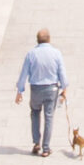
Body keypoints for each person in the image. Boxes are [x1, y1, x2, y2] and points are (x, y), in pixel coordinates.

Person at [14, 28, 68, 156]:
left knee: (35, 113)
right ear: (49, 39)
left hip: (36, 89)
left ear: (37, 40)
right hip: (52, 89)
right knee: (49, 117)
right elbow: (62, 75)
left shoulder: (31, 54)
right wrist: (64, 88)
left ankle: (36, 142)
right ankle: (46, 148)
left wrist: (19, 91)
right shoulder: (56, 53)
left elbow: (23, 74)